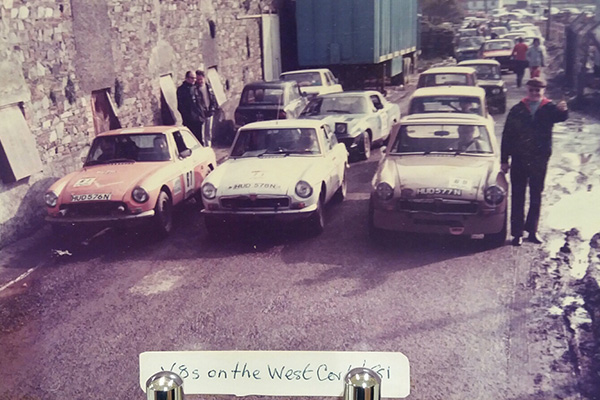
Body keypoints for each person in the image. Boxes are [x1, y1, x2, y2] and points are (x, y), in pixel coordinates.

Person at [500, 78, 568, 246]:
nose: (534, 94)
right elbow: (507, 135)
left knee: (536, 195)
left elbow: (561, 117)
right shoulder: (517, 110)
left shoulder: (549, 108)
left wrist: (563, 110)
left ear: (543, 91)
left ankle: (532, 231)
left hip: (539, 159)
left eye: (538, 91)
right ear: (527, 90)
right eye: (532, 90)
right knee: (517, 195)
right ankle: (517, 233)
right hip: (519, 159)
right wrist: (504, 160)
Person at [177, 71, 204, 144]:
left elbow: (200, 102)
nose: (194, 80)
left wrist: (202, 114)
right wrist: (187, 116)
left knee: (200, 139)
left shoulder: (196, 88)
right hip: (189, 119)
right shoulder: (182, 90)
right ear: (187, 78)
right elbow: (180, 106)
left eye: (195, 78)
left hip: (198, 118)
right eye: (192, 78)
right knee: (191, 139)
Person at [195, 70, 218, 147]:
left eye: (201, 79)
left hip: (209, 112)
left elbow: (213, 98)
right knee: (202, 132)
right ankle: (203, 146)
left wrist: (212, 109)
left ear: (204, 78)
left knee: (208, 131)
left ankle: (209, 146)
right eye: (198, 80)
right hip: (201, 114)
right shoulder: (195, 89)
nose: (200, 81)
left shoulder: (208, 87)